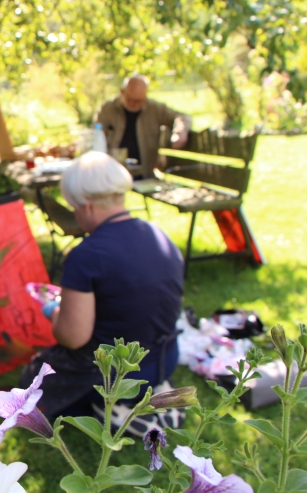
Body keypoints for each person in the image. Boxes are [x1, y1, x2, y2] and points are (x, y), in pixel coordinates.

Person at [19, 151, 185, 434]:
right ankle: (136, 400)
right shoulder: (159, 235)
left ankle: (108, 407)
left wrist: (53, 310)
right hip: (164, 358)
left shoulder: (86, 256)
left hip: (115, 375)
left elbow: (73, 337)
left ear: (86, 205)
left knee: (32, 378)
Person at [96, 75, 191, 178]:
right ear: (122, 92)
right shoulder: (108, 109)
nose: (134, 104)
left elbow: (182, 116)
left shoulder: (154, 108)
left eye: (139, 101)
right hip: (113, 168)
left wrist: (180, 132)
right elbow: (95, 134)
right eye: (130, 100)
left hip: (144, 171)